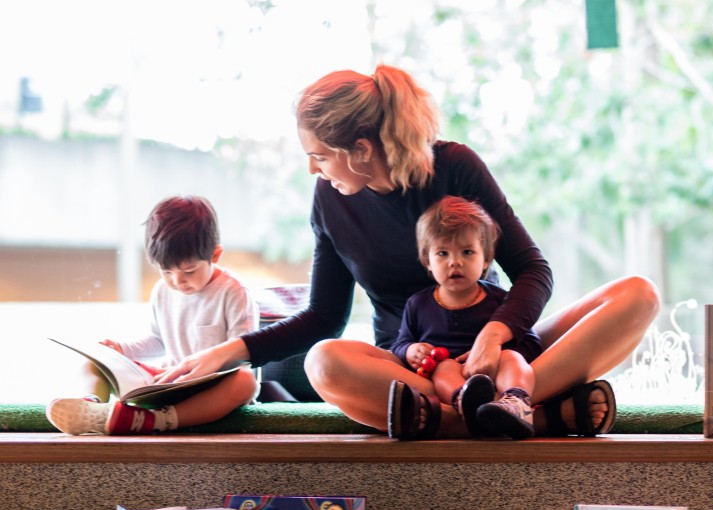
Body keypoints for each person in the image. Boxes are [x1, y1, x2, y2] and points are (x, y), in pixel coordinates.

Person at [156, 65, 659, 438]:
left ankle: (505, 406)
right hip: (412, 370)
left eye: (318, 156)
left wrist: (495, 334)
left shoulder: (455, 166)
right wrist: (232, 351)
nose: (314, 170)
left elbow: (533, 270)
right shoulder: (331, 201)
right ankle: (537, 417)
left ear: (361, 149)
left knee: (638, 295)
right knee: (323, 362)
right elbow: (325, 318)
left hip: (501, 362)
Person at [46, 196, 260, 435]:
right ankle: (94, 408)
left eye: (189, 270)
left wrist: (206, 370)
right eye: (166, 271)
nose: (178, 281)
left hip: (211, 387)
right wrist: (119, 349)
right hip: (168, 383)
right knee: (94, 363)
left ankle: (157, 420)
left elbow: (245, 352)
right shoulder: (162, 290)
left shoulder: (233, 291)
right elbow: (157, 340)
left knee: (245, 380)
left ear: (215, 255)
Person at [392, 195, 542, 440]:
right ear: (426, 261)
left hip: (496, 372)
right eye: (442, 253)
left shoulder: (500, 301)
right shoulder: (418, 305)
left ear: (485, 260)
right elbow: (398, 344)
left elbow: (532, 343)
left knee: (512, 356)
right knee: (443, 368)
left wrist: (500, 352)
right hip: (453, 379)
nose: (455, 262)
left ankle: (516, 403)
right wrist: (410, 350)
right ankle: (466, 402)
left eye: (467, 252)